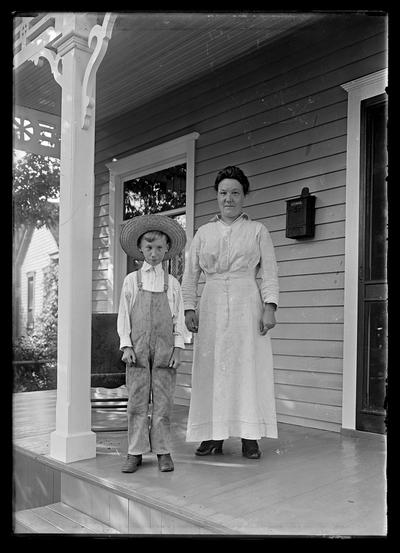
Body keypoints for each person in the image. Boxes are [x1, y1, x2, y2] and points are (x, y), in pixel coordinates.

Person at [181, 165, 279, 459]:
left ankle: (250, 436)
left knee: (247, 367)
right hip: (210, 306)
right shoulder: (203, 232)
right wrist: (188, 308)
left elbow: (270, 273)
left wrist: (269, 307)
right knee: (212, 370)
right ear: (217, 196)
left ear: (244, 196)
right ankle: (214, 436)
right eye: (223, 193)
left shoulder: (258, 231)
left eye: (235, 193)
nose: (229, 199)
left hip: (247, 303)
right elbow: (190, 275)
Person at [117, 214, 187, 473]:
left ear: (167, 248)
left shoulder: (173, 284)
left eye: (159, 247)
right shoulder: (132, 281)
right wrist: (126, 344)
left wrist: (178, 348)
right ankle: (134, 451)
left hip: (164, 350)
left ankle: (163, 451)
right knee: (136, 400)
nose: (154, 253)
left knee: (163, 400)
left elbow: (178, 318)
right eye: (149, 247)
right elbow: (124, 315)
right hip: (137, 348)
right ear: (141, 248)